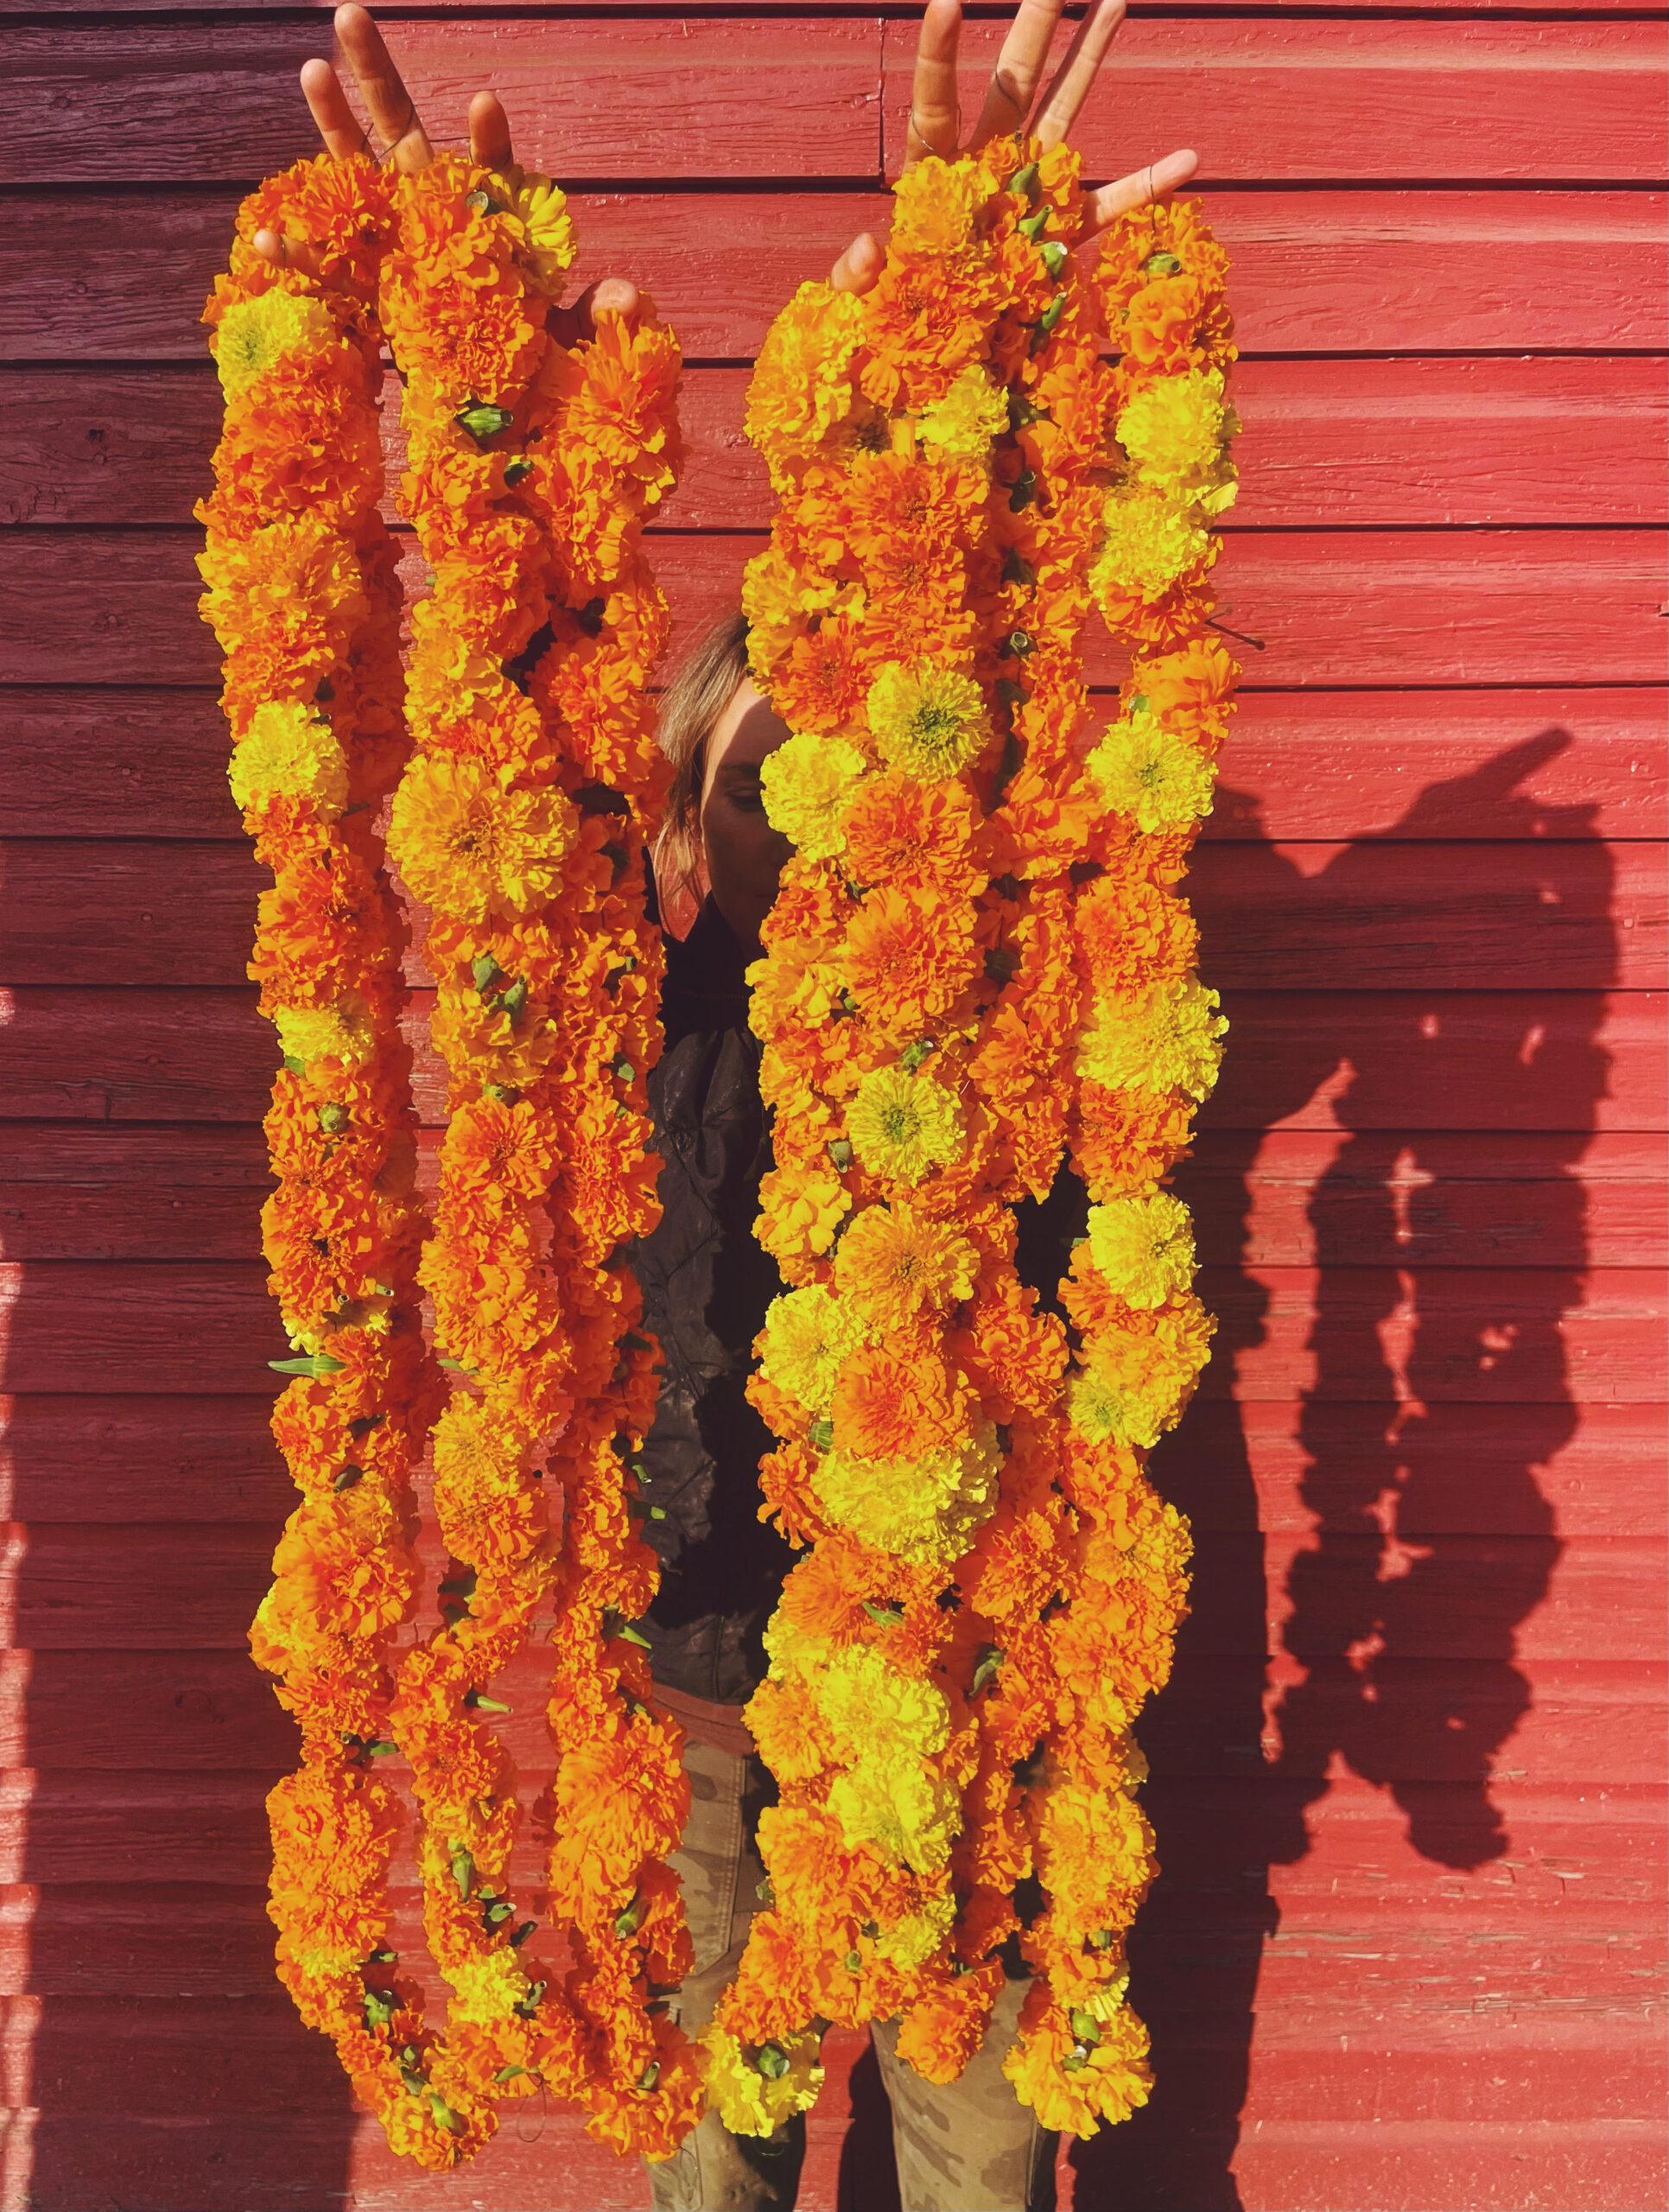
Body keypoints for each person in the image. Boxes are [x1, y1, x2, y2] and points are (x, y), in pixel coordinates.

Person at [265, 9, 1198, 2205]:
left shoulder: (995, 1011)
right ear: (689, 801)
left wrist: (951, 361)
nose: (828, 765)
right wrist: (487, 385)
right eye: (761, 737)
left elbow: (922, 742)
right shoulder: (628, 1002)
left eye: (867, 720)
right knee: (721, 2135)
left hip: (964, 1652)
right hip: (697, 1660)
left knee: (972, 2130)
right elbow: (542, 742)